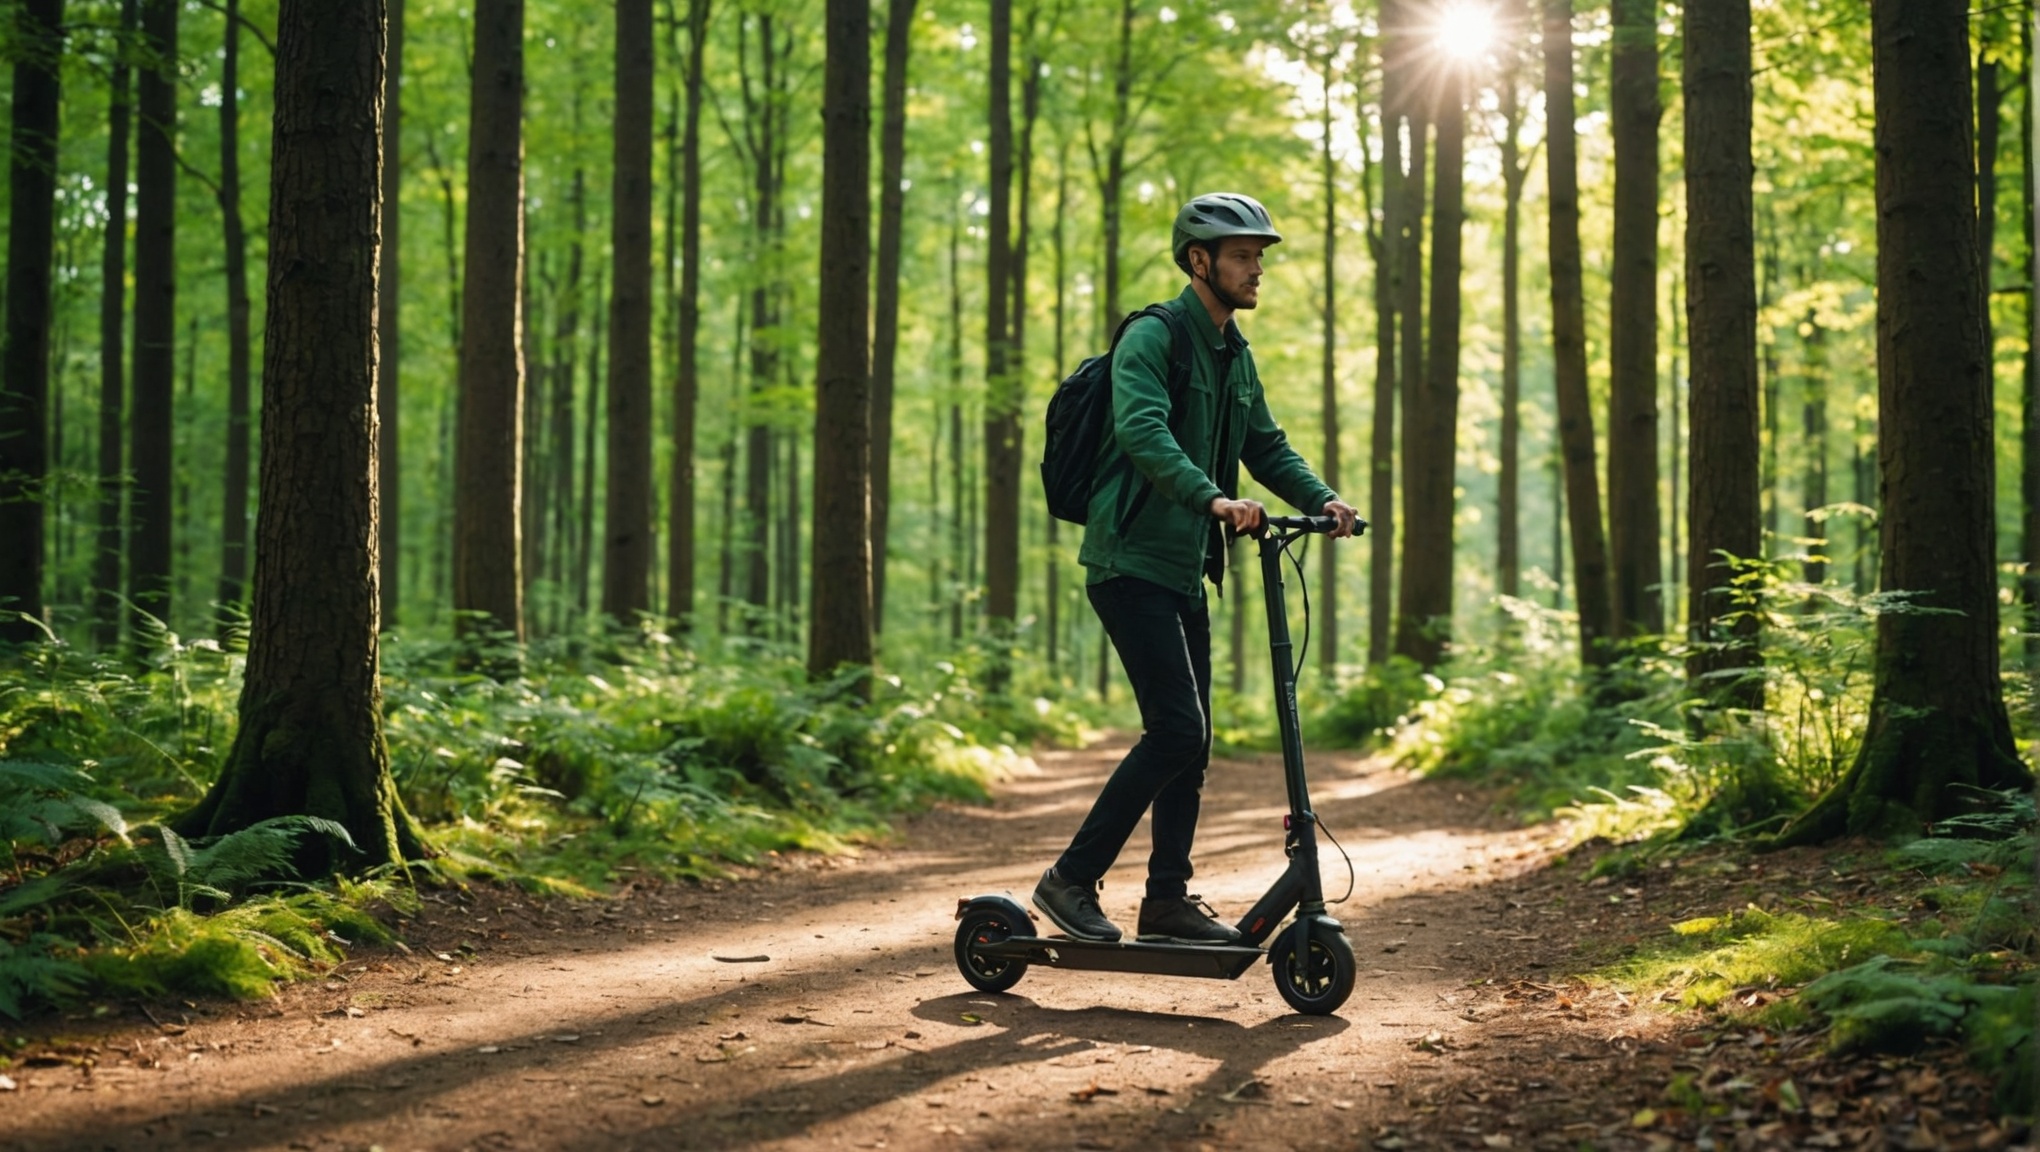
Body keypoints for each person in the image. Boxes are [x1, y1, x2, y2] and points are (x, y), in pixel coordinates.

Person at [1033, 192, 1359, 946]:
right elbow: (1142, 430)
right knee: (1177, 729)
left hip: (1184, 570)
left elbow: (1266, 445)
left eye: (1260, 257)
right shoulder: (1156, 336)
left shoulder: (1233, 353)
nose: (1256, 270)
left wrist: (1325, 498)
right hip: (1128, 560)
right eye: (1243, 257)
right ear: (1199, 260)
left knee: (1194, 740)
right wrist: (1213, 498)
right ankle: (1070, 880)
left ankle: (1166, 902)